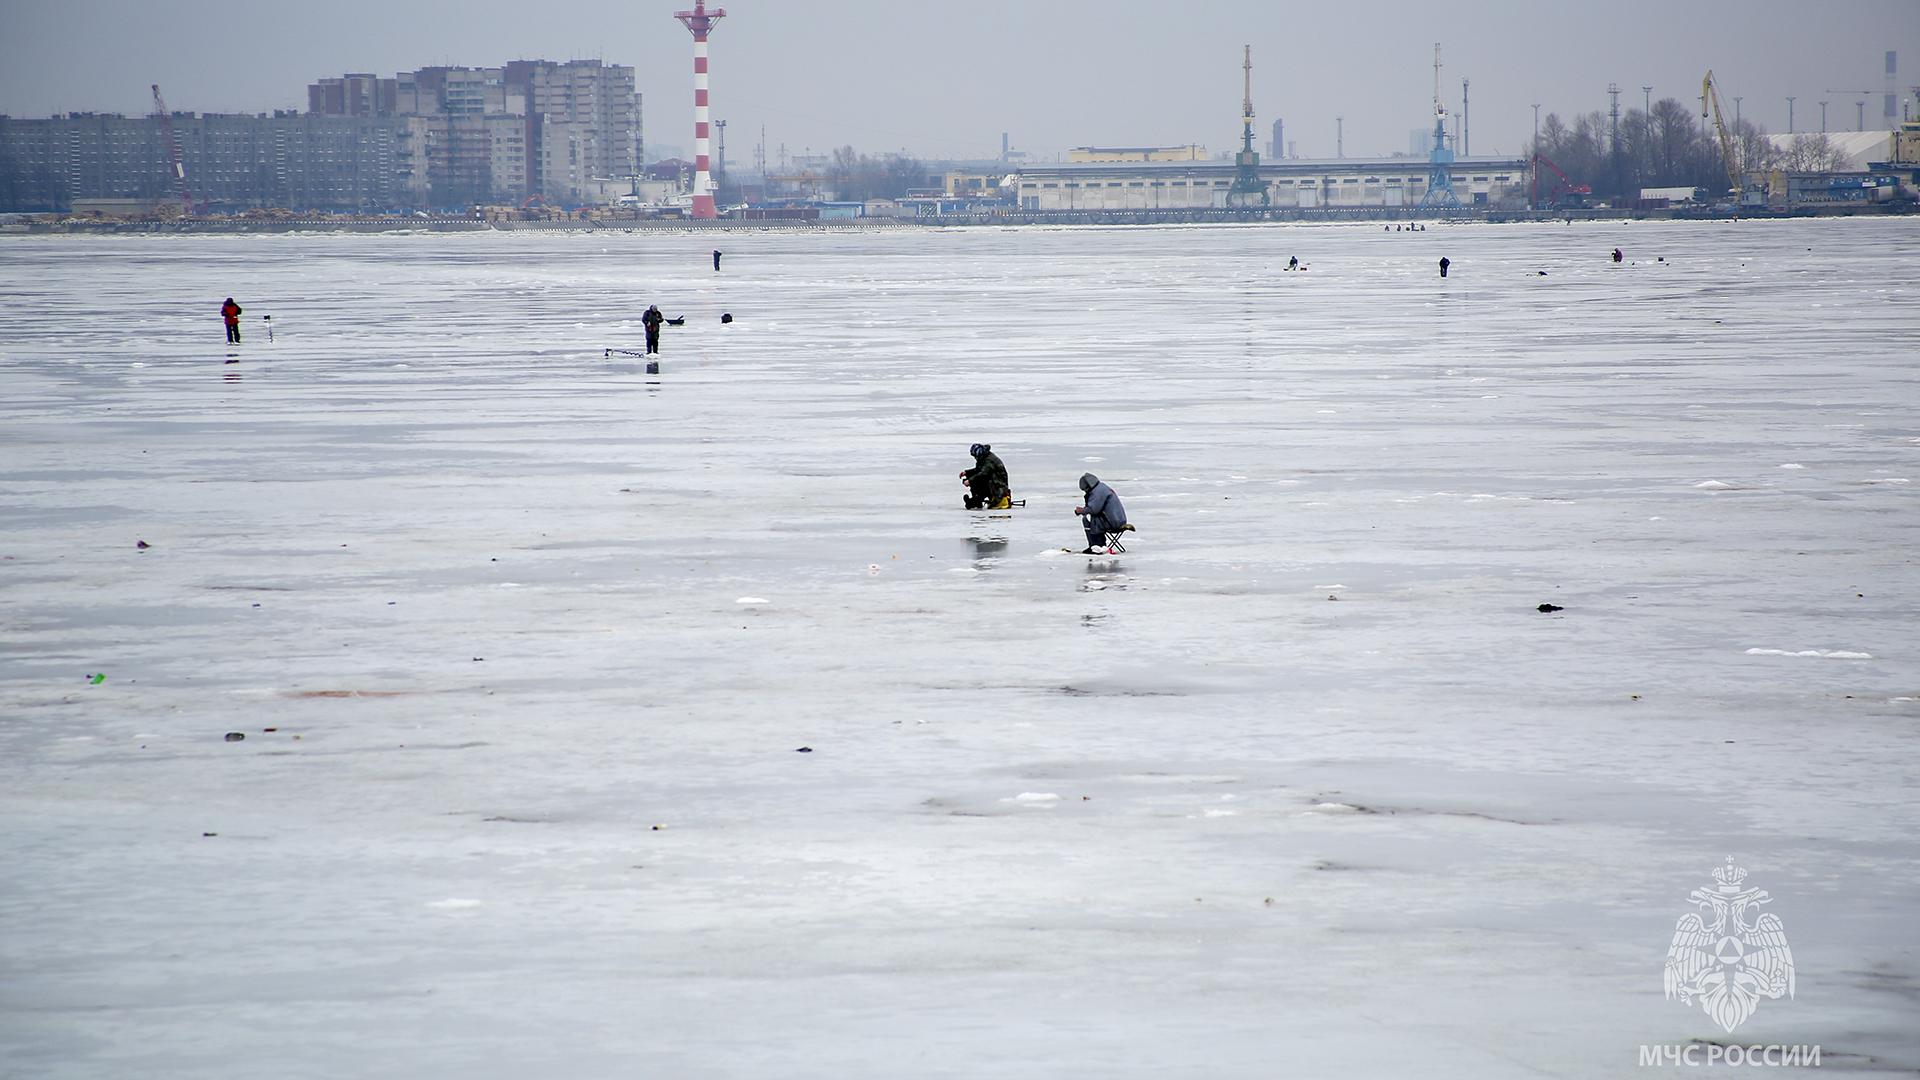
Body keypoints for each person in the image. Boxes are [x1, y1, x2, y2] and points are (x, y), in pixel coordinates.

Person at [1074, 473, 1127, 554]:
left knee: (1087, 519)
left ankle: (1096, 545)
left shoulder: (1097, 492)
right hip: (1118, 520)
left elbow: (1094, 509)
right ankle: (1098, 545)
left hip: (1113, 523)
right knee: (1093, 518)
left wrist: (1081, 511)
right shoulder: (1101, 487)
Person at [960, 443, 1011, 510]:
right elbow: (979, 469)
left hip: (998, 486)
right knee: (974, 478)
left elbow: (984, 473)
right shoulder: (985, 457)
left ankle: (977, 500)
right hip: (993, 483)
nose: (975, 458)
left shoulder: (989, 460)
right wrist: (966, 472)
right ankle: (976, 500)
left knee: (977, 480)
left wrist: (970, 481)